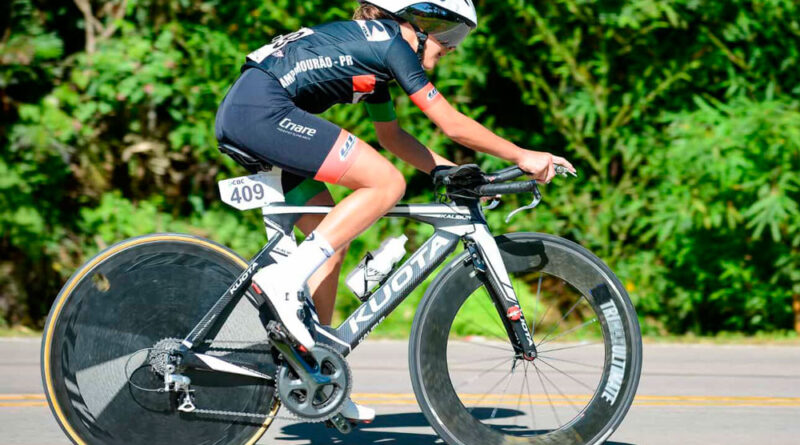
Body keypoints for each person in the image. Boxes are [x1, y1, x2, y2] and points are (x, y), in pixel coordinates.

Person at [214, 0, 576, 423]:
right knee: (387, 183)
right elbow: (451, 123)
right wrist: (523, 155)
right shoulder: (391, 45)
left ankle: (317, 374)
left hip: (252, 111)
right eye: (451, 33)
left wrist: (453, 173)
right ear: (418, 21)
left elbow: (392, 137)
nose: (453, 47)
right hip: (263, 113)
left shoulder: (375, 56)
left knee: (329, 239)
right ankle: (283, 280)